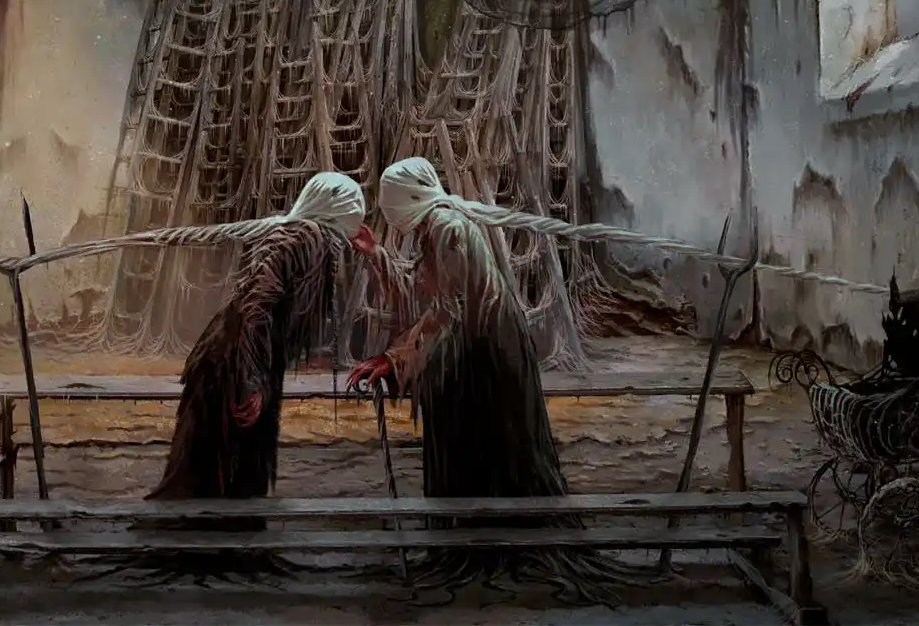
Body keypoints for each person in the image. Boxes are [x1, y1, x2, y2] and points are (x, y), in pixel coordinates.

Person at [346, 156, 612, 594]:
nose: (389, 213)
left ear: (407, 198)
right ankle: (478, 546)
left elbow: (445, 311)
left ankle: (493, 548)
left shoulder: (448, 227)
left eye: (390, 203)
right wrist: (376, 255)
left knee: (497, 448)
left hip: (488, 353)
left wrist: (393, 359)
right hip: (474, 351)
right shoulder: (436, 228)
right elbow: (421, 293)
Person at [148, 171, 375, 526]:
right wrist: (252, 382)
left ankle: (228, 543)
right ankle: (203, 543)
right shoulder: (300, 236)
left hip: (247, 361)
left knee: (241, 466)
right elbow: (257, 306)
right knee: (216, 467)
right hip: (232, 363)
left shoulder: (313, 238)